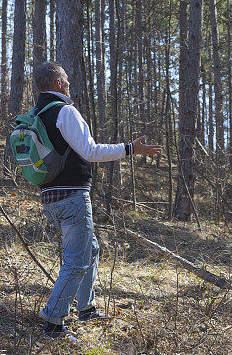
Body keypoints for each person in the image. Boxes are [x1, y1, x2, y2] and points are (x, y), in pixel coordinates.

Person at [30, 62, 161, 338]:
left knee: (90, 250)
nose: (68, 83)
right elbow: (90, 151)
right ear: (57, 83)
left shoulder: (35, 114)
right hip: (72, 197)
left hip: (50, 199)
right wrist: (129, 149)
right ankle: (53, 323)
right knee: (76, 261)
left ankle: (86, 307)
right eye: (65, 78)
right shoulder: (64, 111)